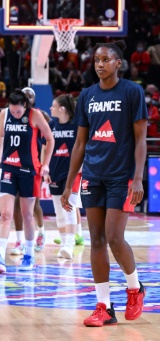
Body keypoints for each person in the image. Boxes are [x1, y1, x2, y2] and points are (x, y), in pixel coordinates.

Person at [61, 40, 147, 327]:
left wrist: (137, 178)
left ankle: (134, 288)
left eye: (106, 60)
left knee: (113, 237)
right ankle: (104, 307)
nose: (100, 64)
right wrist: (69, 182)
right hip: (92, 175)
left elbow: (140, 139)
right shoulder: (87, 95)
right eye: (96, 60)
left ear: (118, 63)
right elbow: (80, 143)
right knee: (95, 240)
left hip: (121, 176)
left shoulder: (132, 91)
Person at [0, 89, 53, 273]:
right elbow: (0, 136)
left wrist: (46, 164)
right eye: (12, 111)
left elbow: (50, 138)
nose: (15, 114)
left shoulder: (35, 115)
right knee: (5, 214)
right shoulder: (4, 114)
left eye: (18, 112)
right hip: (8, 168)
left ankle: (29, 256)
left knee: (27, 214)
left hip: (29, 170)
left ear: (25, 106)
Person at [10, 87, 50, 255]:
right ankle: (19, 240)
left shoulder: (37, 115)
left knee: (35, 205)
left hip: (33, 164)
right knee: (17, 203)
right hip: (14, 163)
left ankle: (41, 232)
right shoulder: (13, 114)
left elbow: (49, 129)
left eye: (29, 97)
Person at [42, 94, 80, 260]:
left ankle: (69, 245)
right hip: (54, 172)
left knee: (69, 206)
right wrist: (46, 168)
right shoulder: (52, 125)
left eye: (53, 106)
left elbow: (84, 148)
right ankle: (64, 243)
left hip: (73, 173)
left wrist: (82, 167)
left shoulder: (77, 125)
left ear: (62, 109)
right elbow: (44, 148)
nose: (51, 108)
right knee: (58, 210)